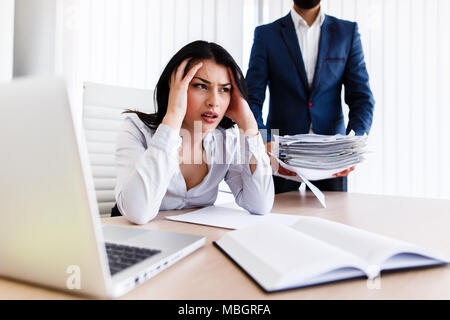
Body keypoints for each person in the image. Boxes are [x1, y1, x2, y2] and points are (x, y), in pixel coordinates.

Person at [111, 40, 274, 224]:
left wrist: (248, 124)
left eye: (224, 90)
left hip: (194, 240)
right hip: (132, 238)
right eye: (201, 86)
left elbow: (260, 204)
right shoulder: (135, 129)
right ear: (175, 87)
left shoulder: (227, 139)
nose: (214, 101)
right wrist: (173, 116)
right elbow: (137, 213)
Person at [246, 0, 374, 193]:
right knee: (280, 219)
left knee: (332, 219)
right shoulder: (266, 35)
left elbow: (362, 98)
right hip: (280, 154)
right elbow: (251, 100)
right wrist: (264, 142)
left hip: (332, 157)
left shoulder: (346, 32)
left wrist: (352, 147)